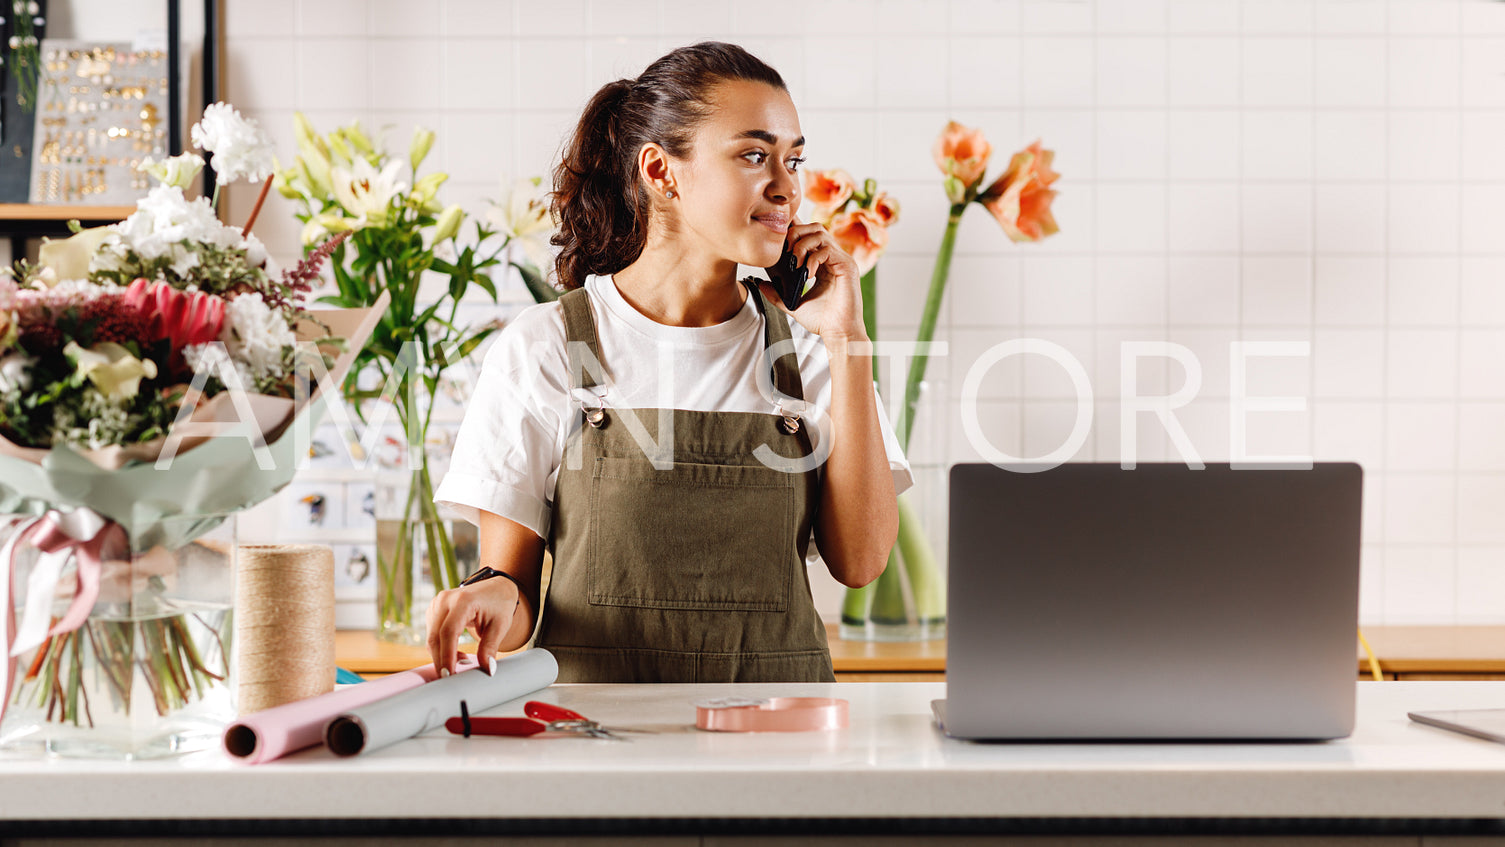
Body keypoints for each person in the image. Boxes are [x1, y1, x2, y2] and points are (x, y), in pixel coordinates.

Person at [429, 41, 912, 683]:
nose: (786, 188)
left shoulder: (810, 351)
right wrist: (488, 596)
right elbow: (513, 592)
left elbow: (862, 561)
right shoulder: (547, 345)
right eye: (753, 155)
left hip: (779, 743)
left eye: (793, 160)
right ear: (661, 172)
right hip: (599, 742)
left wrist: (849, 344)